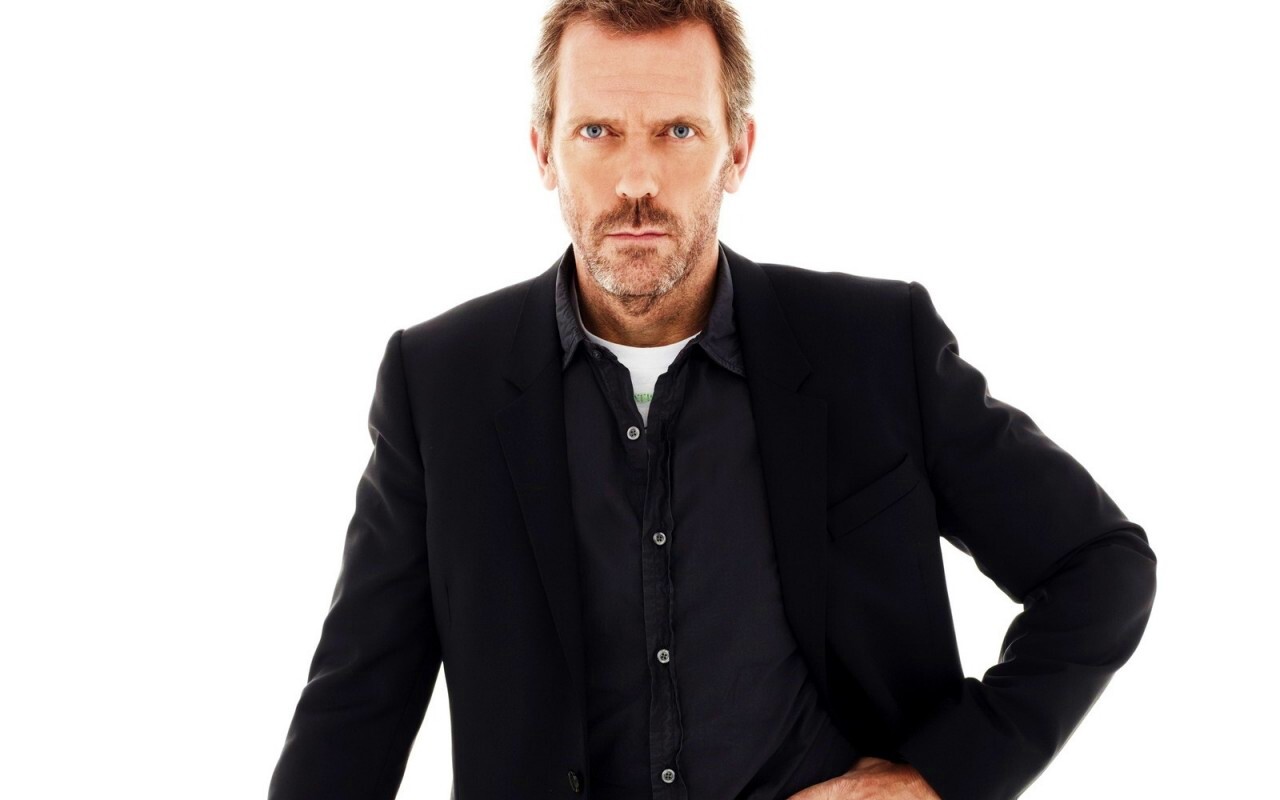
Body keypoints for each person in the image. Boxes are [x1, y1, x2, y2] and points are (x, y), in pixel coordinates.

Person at [267, 1, 1157, 798]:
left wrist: (938, 776)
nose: (636, 180)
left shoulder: (877, 348)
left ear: (739, 150)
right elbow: (356, 711)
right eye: (597, 131)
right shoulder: (440, 384)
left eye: (678, 131)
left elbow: (1098, 568)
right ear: (543, 150)